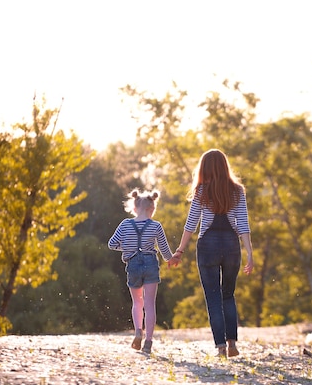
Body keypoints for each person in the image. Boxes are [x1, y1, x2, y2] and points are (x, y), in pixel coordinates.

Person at [170, 149, 253, 358]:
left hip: (208, 246)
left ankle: (221, 347)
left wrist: (179, 250)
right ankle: (232, 343)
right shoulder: (237, 191)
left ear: (204, 168)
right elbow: (243, 224)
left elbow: (191, 224)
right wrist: (250, 253)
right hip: (232, 246)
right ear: (225, 166)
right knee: (228, 295)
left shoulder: (201, 191)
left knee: (213, 297)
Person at [108, 189, 180, 354]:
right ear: (152, 209)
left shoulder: (125, 224)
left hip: (132, 264)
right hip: (150, 264)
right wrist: (173, 259)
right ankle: (148, 342)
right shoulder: (156, 226)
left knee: (137, 303)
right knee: (149, 304)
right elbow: (164, 251)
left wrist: (126, 249)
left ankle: (138, 332)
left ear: (134, 208)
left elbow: (111, 244)